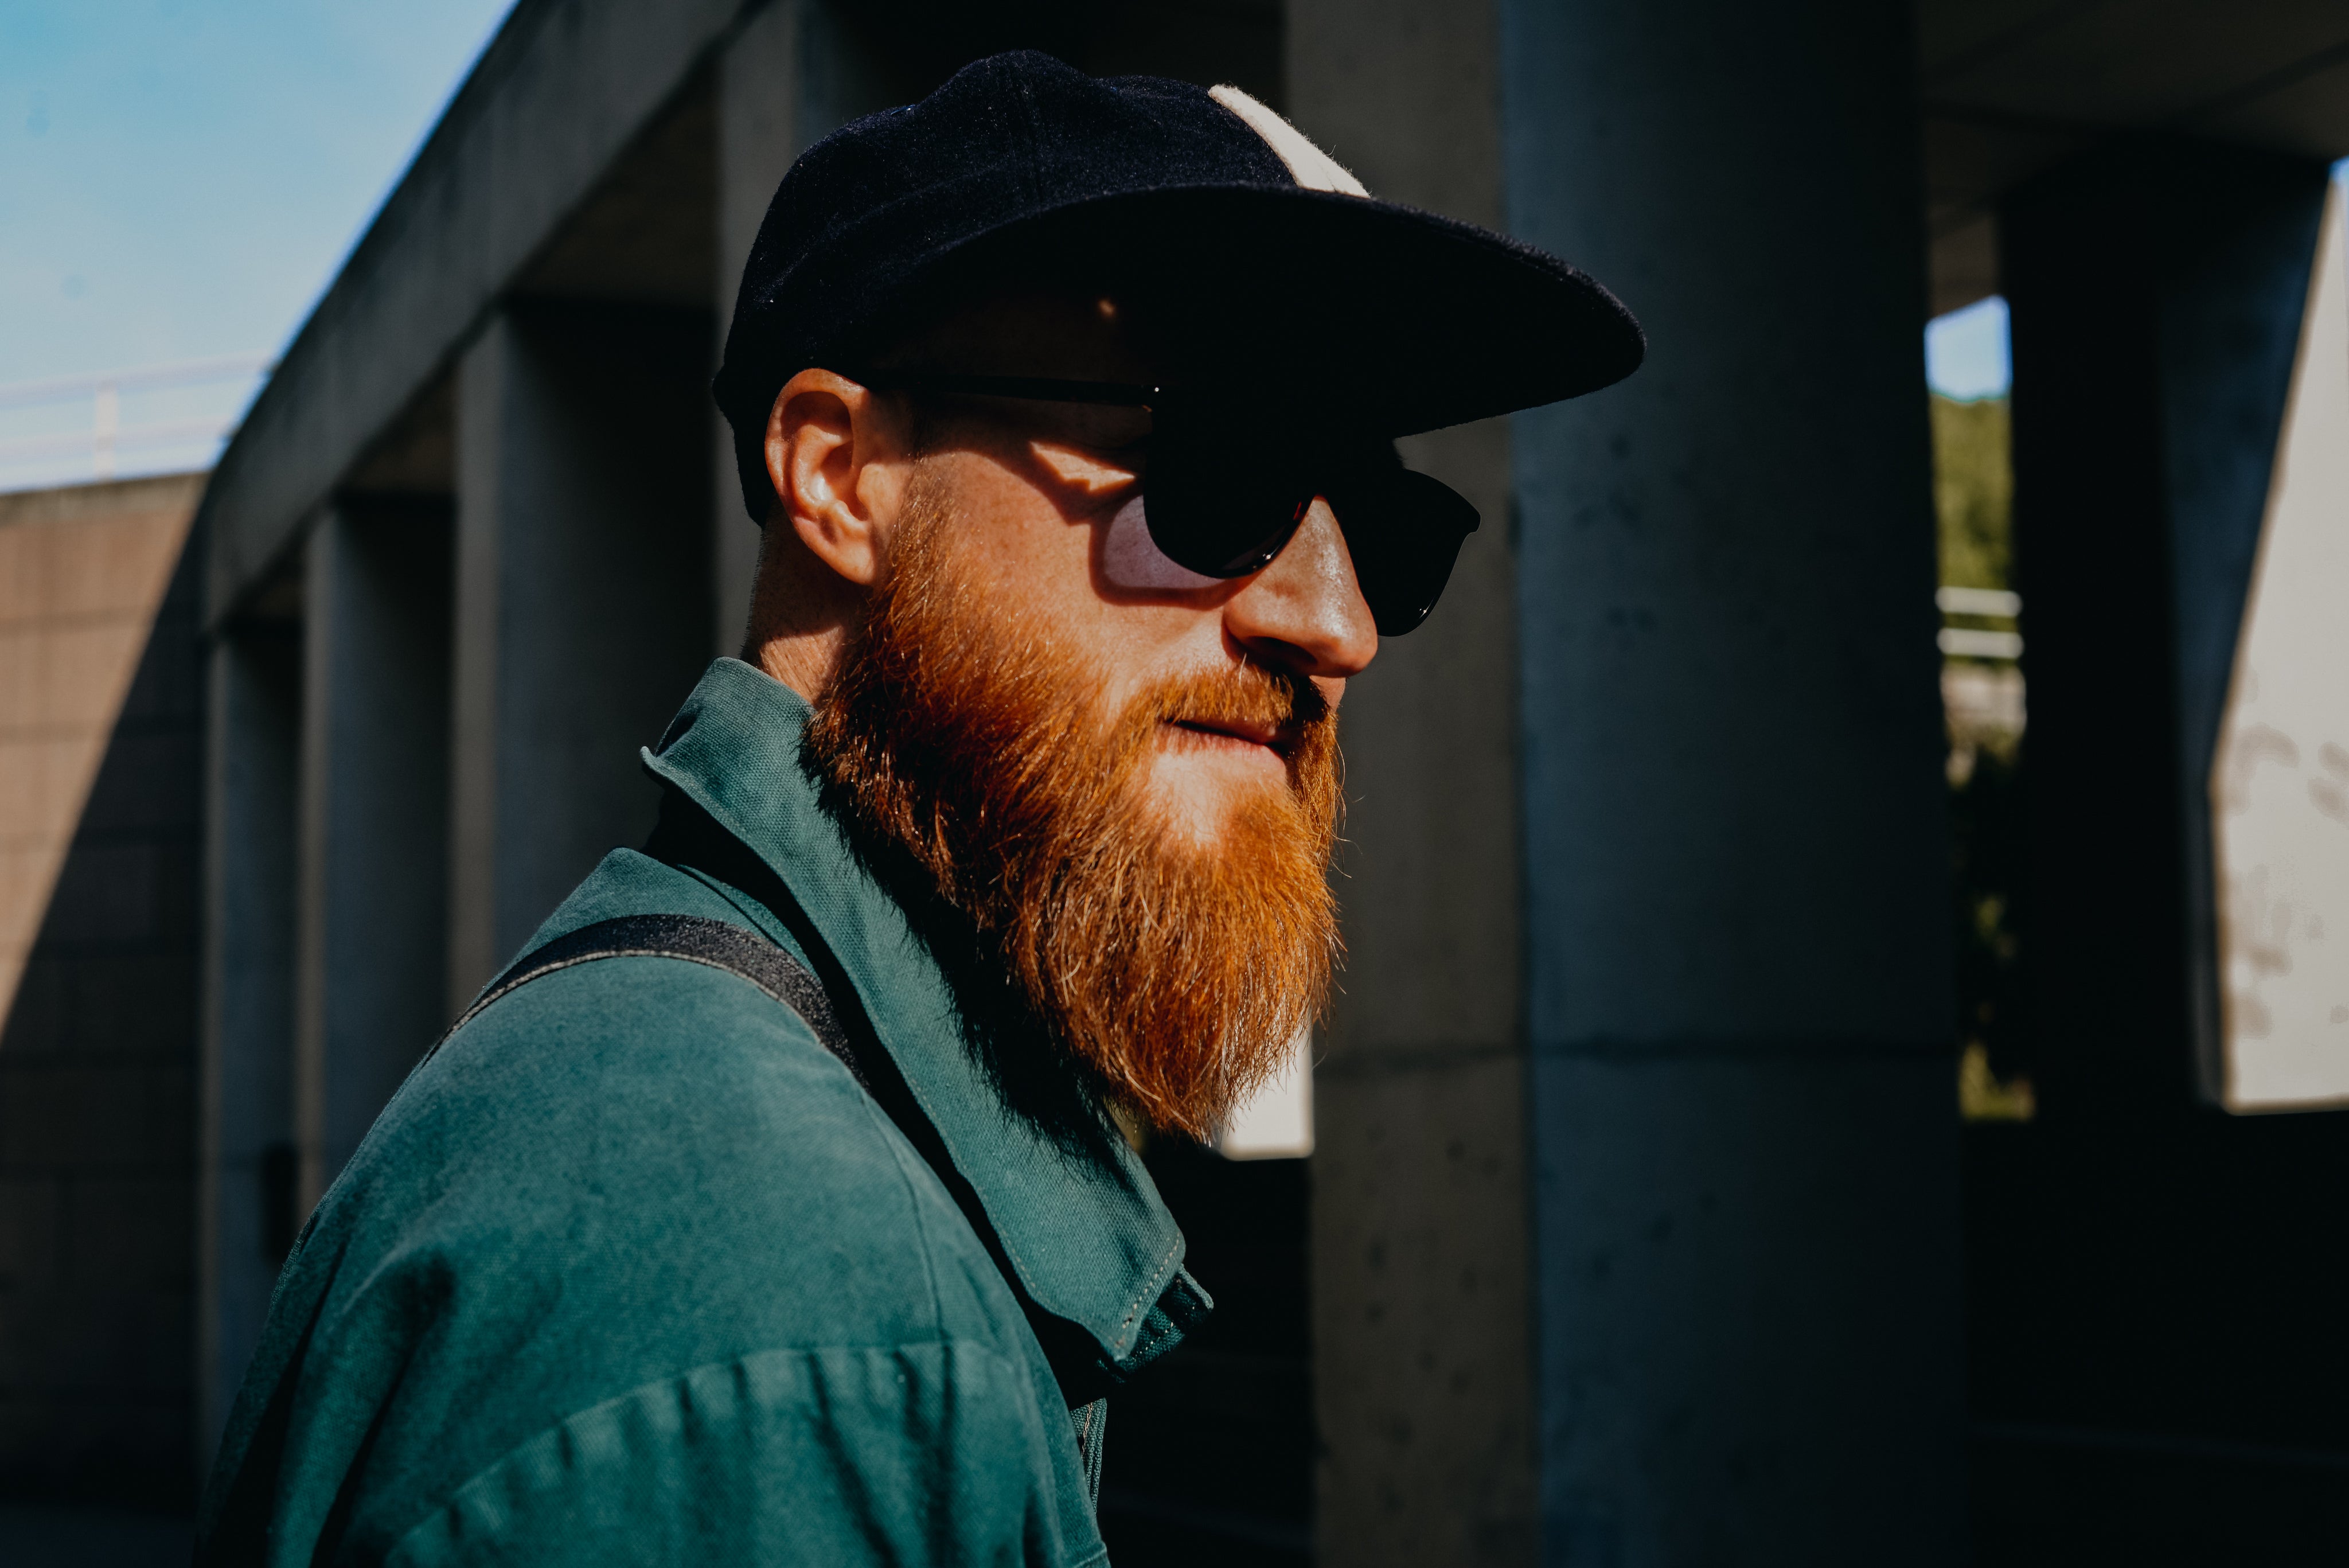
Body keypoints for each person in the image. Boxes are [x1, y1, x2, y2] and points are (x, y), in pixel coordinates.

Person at [195, 51, 1640, 1567]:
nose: (1334, 624)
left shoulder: (761, 1112)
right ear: (841, 478)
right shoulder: (768, 1289)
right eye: (1226, 467)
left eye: (1388, 530)